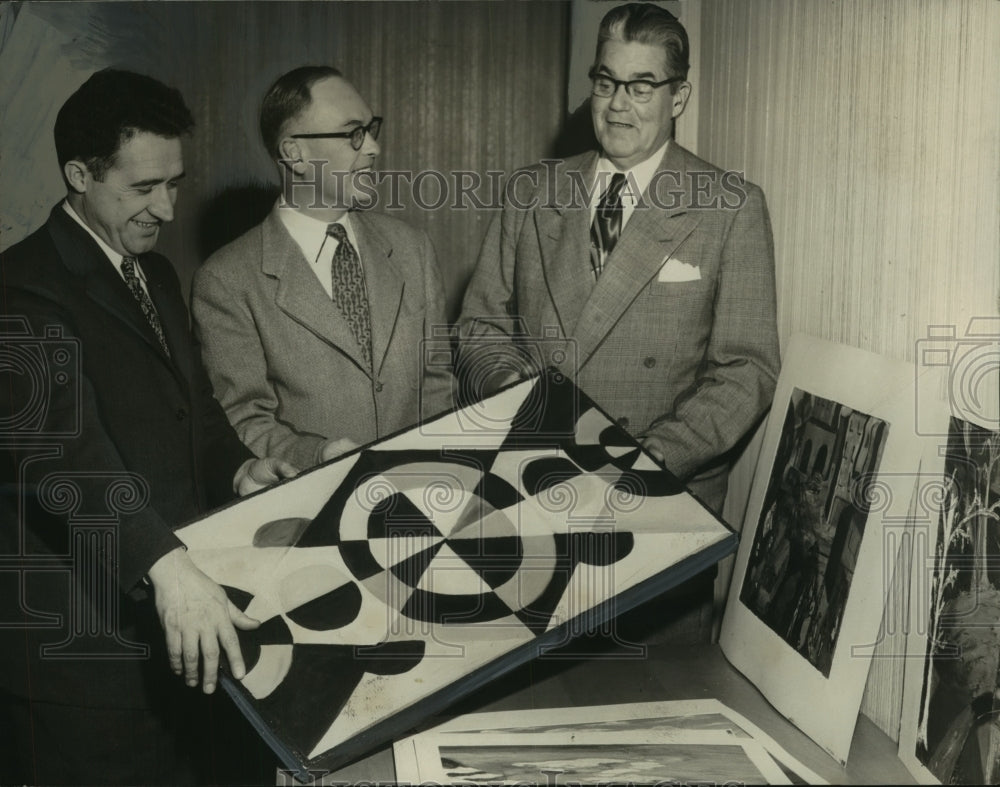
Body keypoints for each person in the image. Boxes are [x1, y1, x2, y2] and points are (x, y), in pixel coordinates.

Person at [0, 69, 296, 785]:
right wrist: (167, 567)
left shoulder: (155, 274)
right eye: (142, 188)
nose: (164, 207)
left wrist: (240, 468)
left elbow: (195, 411)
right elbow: (68, 459)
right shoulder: (18, 290)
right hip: (83, 664)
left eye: (174, 184)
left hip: (176, 637)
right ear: (79, 175)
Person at [456, 4, 779, 642]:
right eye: (606, 83)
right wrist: (511, 389)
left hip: (655, 512)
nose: (618, 105)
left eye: (641, 86)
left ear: (678, 96)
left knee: (647, 693)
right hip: (529, 498)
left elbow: (747, 370)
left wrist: (651, 457)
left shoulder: (729, 206)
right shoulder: (531, 192)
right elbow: (478, 327)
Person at [192, 66, 454, 470]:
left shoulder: (411, 249)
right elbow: (242, 419)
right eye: (353, 133)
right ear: (294, 153)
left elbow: (438, 387)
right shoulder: (226, 280)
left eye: (371, 128)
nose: (373, 148)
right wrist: (316, 456)